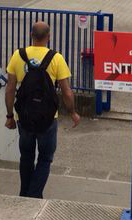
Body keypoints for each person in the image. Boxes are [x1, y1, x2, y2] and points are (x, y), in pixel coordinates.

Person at [5, 21, 80, 198]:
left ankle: (25, 194)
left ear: (31, 35)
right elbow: (67, 92)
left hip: (24, 117)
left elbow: (10, 89)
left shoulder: (18, 55)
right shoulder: (56, 58)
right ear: (48, 37)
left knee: (26, 157)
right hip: (48, 119)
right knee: (45, 159)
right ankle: (34, 195)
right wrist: (72, 112)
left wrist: (9, 115)